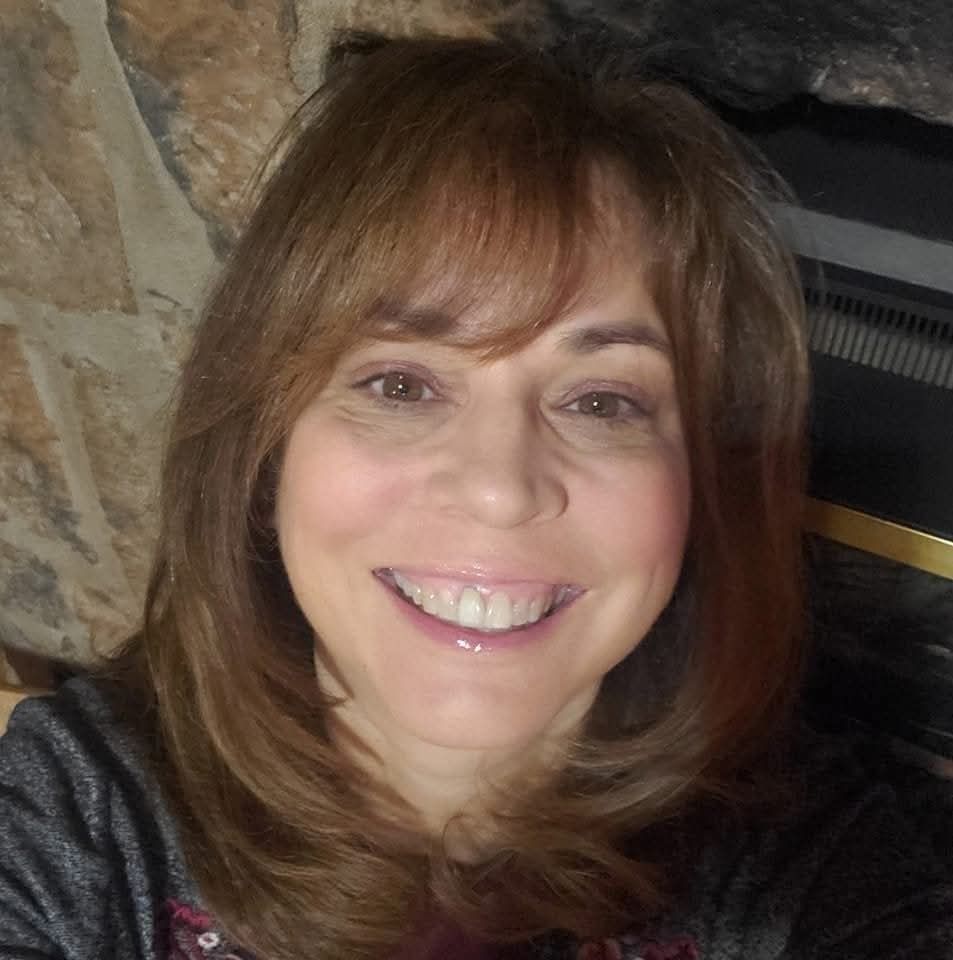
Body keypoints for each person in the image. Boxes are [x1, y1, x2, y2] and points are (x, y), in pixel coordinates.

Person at [0, 32, 950, 960]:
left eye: (601, 400)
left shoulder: (816, 864)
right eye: (401, 385)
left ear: (700, 483)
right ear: (265, 445)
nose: (499, 489)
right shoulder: (78, 812)